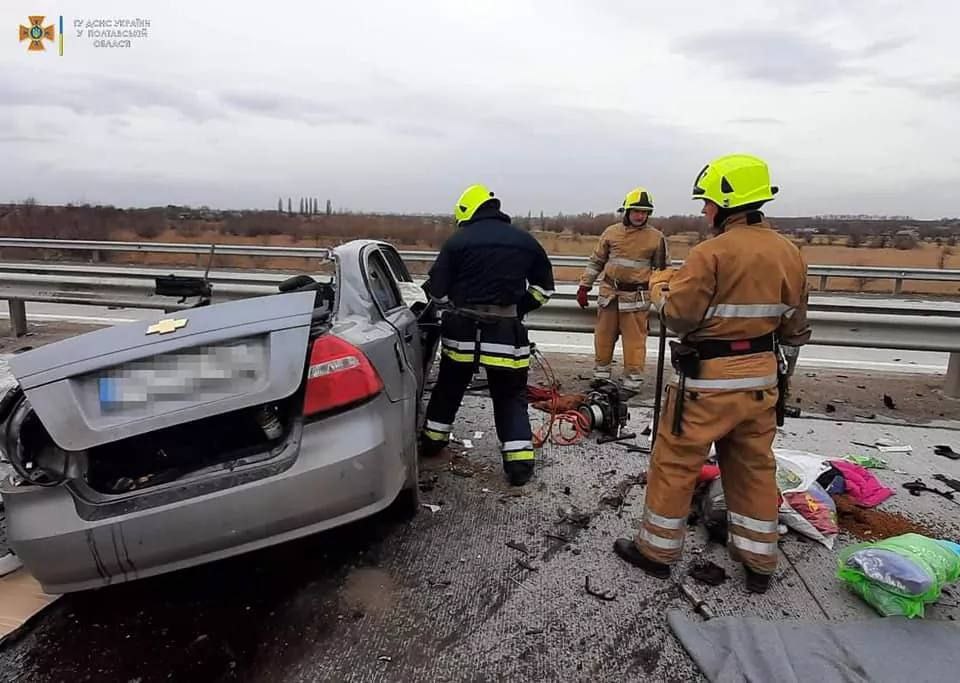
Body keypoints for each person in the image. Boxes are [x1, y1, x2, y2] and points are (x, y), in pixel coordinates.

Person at [613, 154, 810, 593]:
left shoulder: (711, 253)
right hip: (760, 382)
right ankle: (760, 561)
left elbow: (680, 318)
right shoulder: (791, 253)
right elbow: (795, 328)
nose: (704, 210)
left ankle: (657, 551)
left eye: (707, 202)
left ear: (727, 202)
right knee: (754, 468)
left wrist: (659, 286)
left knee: (675, 463)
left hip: (706, 383)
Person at [420, 184, 555, 486]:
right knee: (509, 396)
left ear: (467, 212)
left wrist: (453, 306)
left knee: (449, 388)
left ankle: (432, 441)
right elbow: (544, 289)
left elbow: (436, 292)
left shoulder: (457, 242)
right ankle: (519, 465)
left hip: (461, 337)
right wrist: (517, 309)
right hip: (507, 336)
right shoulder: (525, 241)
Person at [576, 188, 669, 390]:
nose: (640, 215)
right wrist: (585, 286)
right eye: (636, 211)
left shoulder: (656, 238)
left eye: (644, 212)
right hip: (609, 295)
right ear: (626, 211)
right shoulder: (611, 233)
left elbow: (663, 271)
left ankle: (631, 383)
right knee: (603, 337)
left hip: (636, 298)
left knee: (634, 343)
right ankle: (601, 376)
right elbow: (596, 262)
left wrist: (663, 297)